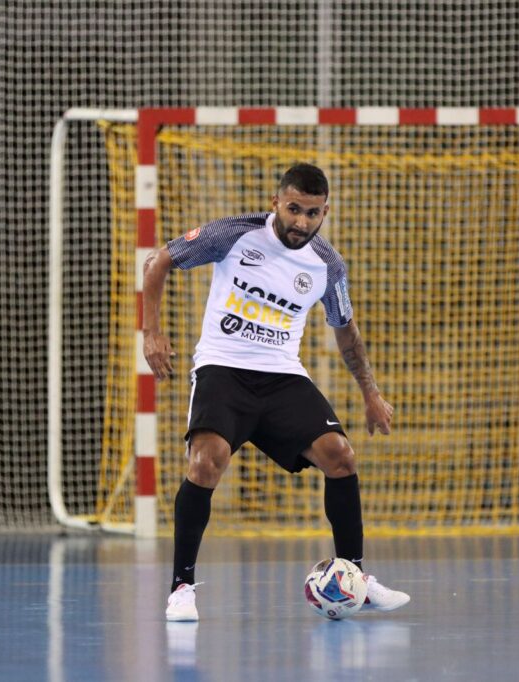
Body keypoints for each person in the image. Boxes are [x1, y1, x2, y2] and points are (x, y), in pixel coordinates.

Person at [142, 163, 410, 622]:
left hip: (282, 375)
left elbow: (347, 333)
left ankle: (355, 579)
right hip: (223, 368)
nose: (301, 222)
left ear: (325, 212)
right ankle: (181, 589)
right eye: (293, 209)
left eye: (312, 213)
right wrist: (151, 332)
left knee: (341, 456)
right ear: (275, 203)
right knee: (206, 463)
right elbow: (160, 260)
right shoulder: (234, 234)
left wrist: (371, 393)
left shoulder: (328, 265)